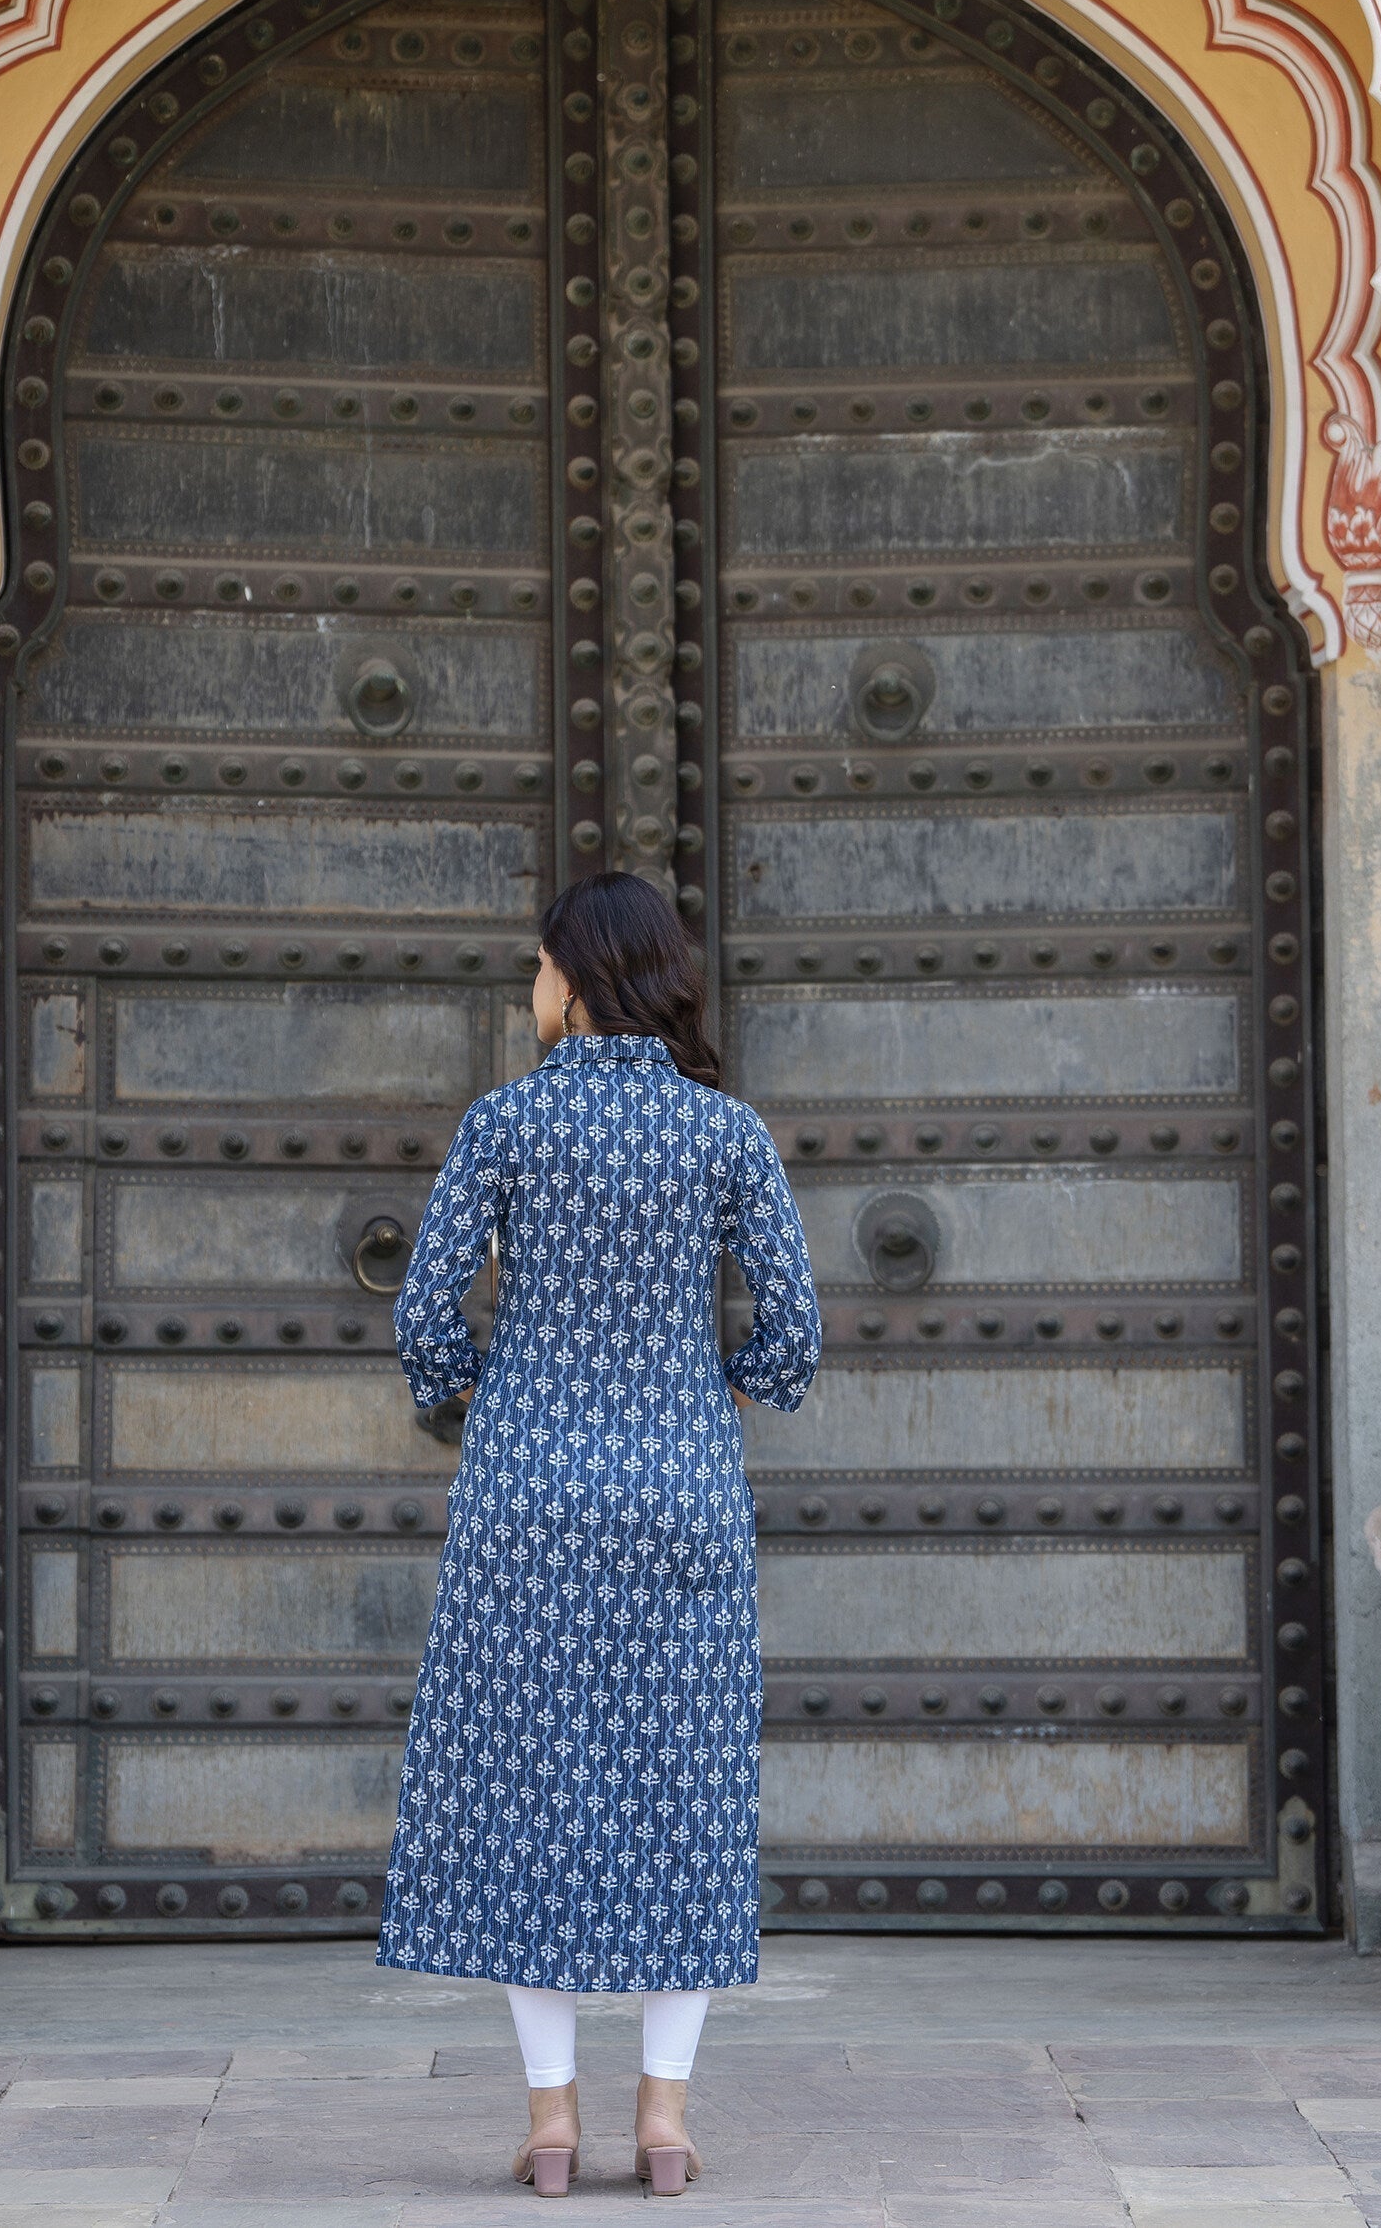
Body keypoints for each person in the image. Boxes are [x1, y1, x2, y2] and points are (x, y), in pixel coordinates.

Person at [378, 871, 820, 2197]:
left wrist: (474, 1392)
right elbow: (792, 1331)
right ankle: (668, 2125)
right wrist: (714, 1390)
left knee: (535, 1797)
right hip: (679, 1490)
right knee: (681, 1794)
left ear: (575, 975)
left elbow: (422, 1311)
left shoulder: (506, 1121)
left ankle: (554, 2124)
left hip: (526, 1497)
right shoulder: (725, 1132)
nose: (530, 989)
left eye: (536, 967)